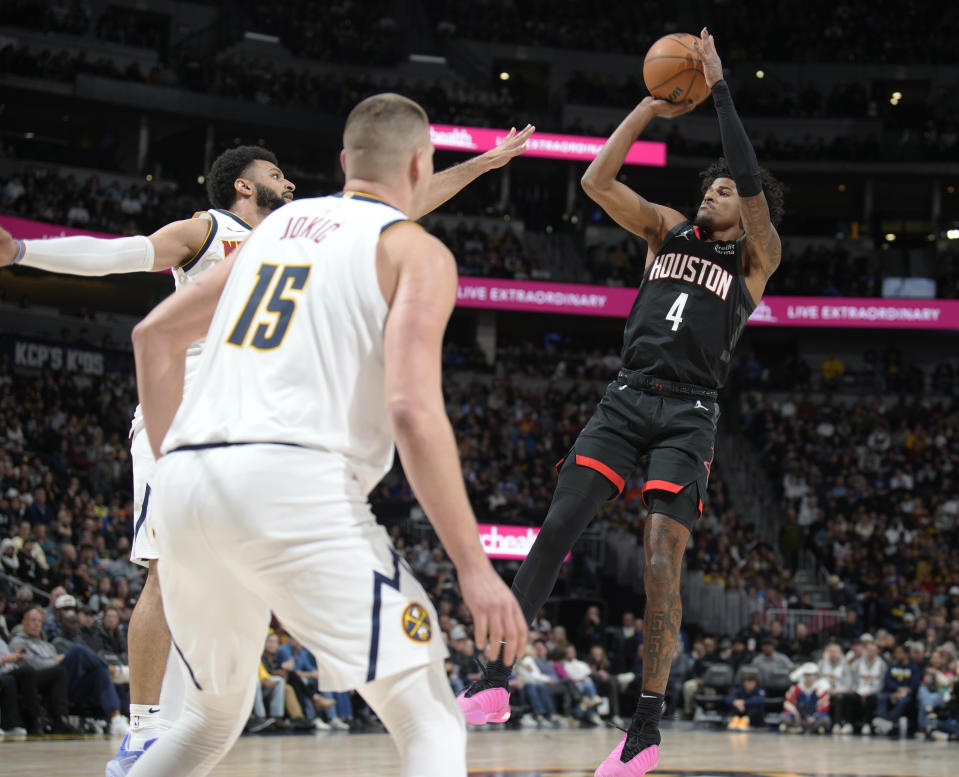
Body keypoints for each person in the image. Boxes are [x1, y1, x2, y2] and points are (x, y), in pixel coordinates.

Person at [0, 122, 533, 774]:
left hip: (197, 460)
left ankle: (151, 737)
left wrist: (483, 164)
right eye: (277, 172)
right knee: (429, 715)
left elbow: (150, 335)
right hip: (251, 448)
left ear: (344, 162)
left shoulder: (289, 232)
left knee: (207, 717)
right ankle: (140, 723)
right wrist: (24, 249)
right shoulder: (217, 229)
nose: (290, 180)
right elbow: (121, 255)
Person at [458, 29, 785, 777]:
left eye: (724, 190)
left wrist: (720, 87)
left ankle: (643, 727)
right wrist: (649, 103)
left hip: (689, 411)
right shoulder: (664, 229)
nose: (712, 192)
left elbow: (748, 175)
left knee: (662, 566)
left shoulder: (757, 258)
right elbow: (596, 182)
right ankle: (497, 676)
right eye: (707, 187)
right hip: (626, 397)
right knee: (558, 524)